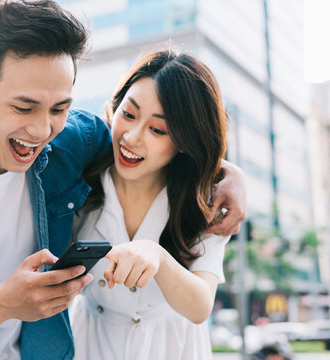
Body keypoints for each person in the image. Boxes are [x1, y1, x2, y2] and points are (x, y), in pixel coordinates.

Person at [0, 1, 246, 359]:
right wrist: (5, 303)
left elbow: (162, 145)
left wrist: (227, 173)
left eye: (60, 108)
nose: (42, 129)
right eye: (24, 107)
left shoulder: (72, 141)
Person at [69, 50, 238, 360]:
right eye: (129, 114)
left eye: (157, 130)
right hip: (91, 343)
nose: (132, 138)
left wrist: (157, 256)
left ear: (186, 141)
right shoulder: (81, 180)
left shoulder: (204, 201)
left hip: (174, 348)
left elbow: (200, 305)